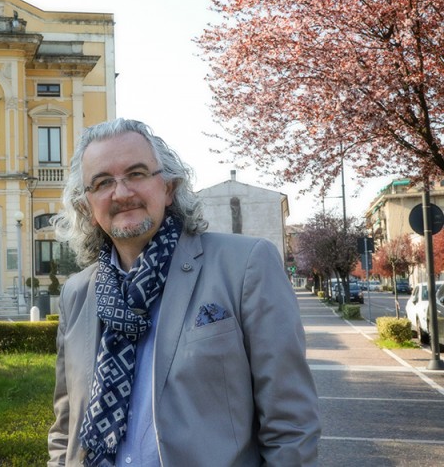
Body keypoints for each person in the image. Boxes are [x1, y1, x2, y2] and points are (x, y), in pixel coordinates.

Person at [47, 118, 320, 466]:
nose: (122, 192)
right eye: (102, 182)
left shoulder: (245, 265)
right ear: (86, 205)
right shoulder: (76, 293)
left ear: (169, 187)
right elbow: (66, 426)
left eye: (137, 173)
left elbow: (291, 424)